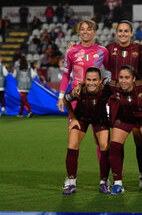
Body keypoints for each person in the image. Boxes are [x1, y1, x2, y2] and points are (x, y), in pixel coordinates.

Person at [57, 19, 110, 189]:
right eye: (82, 29)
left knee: (101, 143)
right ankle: (71, 179)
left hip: (98, 102)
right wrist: (60, 96)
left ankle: (104, 180)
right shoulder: (72, 52)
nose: (85, 32)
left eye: (89, 29)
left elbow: (112, 69)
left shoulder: (103, 51)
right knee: (73, 141)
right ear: (79, 32)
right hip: (76, 103)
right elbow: (66, 75)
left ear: (95, 32)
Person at [106, 20, 142, 189]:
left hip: (137, 100)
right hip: (117, 100)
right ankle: (117, 180)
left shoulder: (139, 49)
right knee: (117, 142)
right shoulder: (109, 49)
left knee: (141, 141)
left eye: (126, 31)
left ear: (132, 33)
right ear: (117, 33)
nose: (123, 34)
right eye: (120, 31)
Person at [106, 65, 142, 195]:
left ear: (134, 78)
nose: (123, 81)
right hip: (125, 119)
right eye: (121, 77)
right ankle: (118, 184)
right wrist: (80, 85)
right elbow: (101, 80)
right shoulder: (114, 85)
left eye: (127, 78)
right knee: (114, 146)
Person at [62, 67, 112, 195]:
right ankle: (71, 183)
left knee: (104, 146)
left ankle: (104, 182)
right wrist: (73, 118)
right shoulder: (78, 91)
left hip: (100, 119)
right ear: (85, 80)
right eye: (88, 80)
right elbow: (65, 100)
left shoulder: (106, 89)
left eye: (94, 80)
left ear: (100, 80)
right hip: (81, 119)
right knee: (72, 145)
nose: (91, 83)